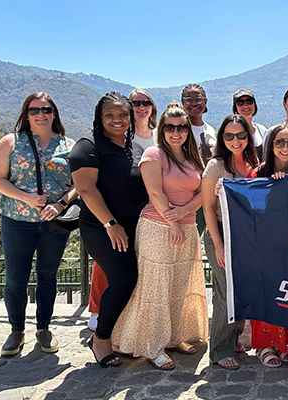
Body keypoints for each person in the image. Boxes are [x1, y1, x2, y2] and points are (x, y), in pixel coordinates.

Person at [110, 102, 208, 370]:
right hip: (157, 227)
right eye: (170, 127)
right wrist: (173, 222)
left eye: (181, 127)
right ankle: (153, 346)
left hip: (186, 227)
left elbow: (201, 193)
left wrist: (185, 213)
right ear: (161, 128)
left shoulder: (193, 158)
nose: (176, 132)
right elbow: (155, 193)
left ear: (188, 130)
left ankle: (174, 338)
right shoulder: (153, 155)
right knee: (156, 288)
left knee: (179, 286)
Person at [0, 92, 77, 356]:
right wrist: (26, 198)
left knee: (48, 276)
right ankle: (16, 331)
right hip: (17, 220)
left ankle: (44, 329)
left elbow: (79, 185)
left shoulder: (69, 145)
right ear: (25, 114)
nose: (41, 114)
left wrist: (61, 203)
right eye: (35, 110)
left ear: (54, 113)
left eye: (47, 109)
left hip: (54, 222)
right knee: (16, 279)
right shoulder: (10, 142)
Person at [71, 92, 149, 367]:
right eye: (110, 115)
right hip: (102, 228)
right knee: (124, 280)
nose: (117, 120)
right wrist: (111, 224)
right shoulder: (89, 146)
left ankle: (125, 336)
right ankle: (101, 338)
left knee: (136, 282)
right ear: (99, 118)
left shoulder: (135, 149)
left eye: (123, 115)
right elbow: (85, 189)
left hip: (135, 228)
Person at [87, 88, 159, 331]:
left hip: (145, 217)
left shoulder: (153, 137)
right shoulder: (94, 145)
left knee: (134, 274)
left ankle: (126, 325)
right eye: (135, 103)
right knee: (113, 273)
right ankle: (100, 321)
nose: (140, 106)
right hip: (109, 223)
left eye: (145, 102)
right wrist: (109, 223)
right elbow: (86, 187)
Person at [201, 114, 259, 369]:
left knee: (240, 290)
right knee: (226, 292)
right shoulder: (215, 166)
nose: (236, 140)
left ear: (248, 136)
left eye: (241, 135)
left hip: (244, 235)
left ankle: (233, 339)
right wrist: (219, 244)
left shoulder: (251, 165)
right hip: (220, 233)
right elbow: (207, 208)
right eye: (229, 136)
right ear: (222, 139)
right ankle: (219, 350)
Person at [245, 122, 288, 368]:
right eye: (279, 142)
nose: (285, 147)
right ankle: (264, 345)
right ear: (271, 145)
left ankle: (285, 345)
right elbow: (247, 205)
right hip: (265, 246)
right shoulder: (256, 174)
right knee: (266, 294)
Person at [181, 83, 216, 164]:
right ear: (183, 102)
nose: (194, 103)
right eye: (189, 100)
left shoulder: (210, 129)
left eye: (198, 99)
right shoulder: (179, 129)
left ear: (205, 101)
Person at [232, 88, 269, 160]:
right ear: (235, 107)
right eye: (240, 103)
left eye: (249, 101)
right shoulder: (230, 130)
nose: (245, 106)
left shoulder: (262, 130)